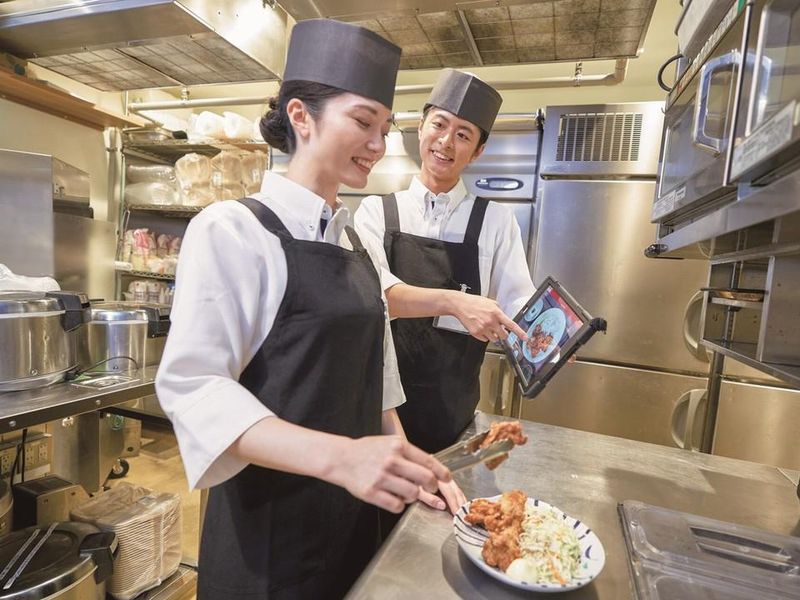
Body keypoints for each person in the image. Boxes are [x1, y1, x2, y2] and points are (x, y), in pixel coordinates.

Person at [156, 20, 456, 600]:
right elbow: (195, 387)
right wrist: (342, 458)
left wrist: (408, 463)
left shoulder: (355, 242)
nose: (378, 144)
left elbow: (378, 378)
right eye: (363, 122)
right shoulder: (232, 230)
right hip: (270, 537)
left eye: (385, 128)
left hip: (353, 520)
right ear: (301, 116)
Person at [354, 69, 535, 455]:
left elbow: (519, 303)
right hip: (378, 410)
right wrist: (455, 301)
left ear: (478, 150)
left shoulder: (496, 222)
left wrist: (552, 339)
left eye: (463, 135)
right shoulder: (375, 212)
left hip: (453, 413)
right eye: (439, 125)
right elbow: (375, 298)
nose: (446, 142)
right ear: (421, 128)